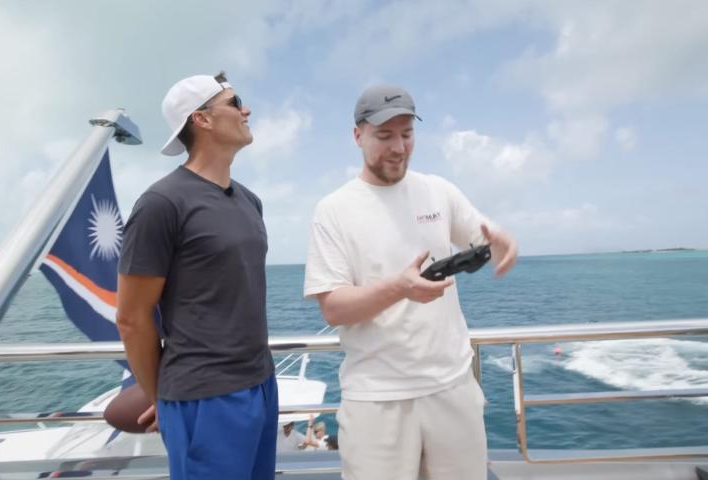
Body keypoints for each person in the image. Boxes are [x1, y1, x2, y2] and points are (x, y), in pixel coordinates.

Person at [303, 84, 518, 480]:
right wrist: (399, 288)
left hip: (453, 386)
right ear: (357, 135)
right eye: (384, 135)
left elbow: (482, 234)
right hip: (376, 398)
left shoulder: (438, 191)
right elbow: (333, 307)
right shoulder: (333, 210)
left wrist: (500, 240)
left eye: (407, 133)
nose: (399, 147)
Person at [116, 72, 277, 480]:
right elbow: (132, 318)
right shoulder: (161, 204)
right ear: (201, 120)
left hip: (261, 383)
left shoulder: (249, 201)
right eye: (234, 101)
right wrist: (164, 401)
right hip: (203, 398)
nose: (246, 110)